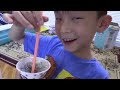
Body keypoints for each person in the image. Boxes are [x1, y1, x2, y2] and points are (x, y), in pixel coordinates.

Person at [3, 11, 112, 79]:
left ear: (102, 23)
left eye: (77, 18)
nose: (63, 29)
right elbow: (17, 37)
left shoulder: (98, 76)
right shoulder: (52, 43)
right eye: (58, 18)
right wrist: (18, 24)